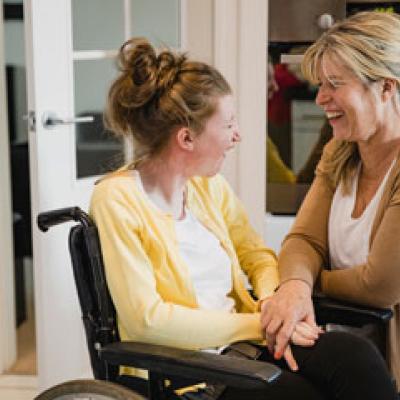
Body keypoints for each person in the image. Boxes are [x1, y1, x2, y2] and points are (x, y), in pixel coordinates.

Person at [90, 37, 397, 399]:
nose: (238, 136)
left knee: (352, 357)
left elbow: (257, 255)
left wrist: (272, 302)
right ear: (187, 138)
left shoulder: (208, 188)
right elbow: (148, 321)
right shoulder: (117, 199)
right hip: (181, 370)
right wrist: (257, 323)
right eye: (229, 124)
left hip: (243, 349)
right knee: (301, 395)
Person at [261, 10, 400, 392]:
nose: (321, 98)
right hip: (347, 349)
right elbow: (303, 240)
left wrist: (302, 286)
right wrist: (293, 288)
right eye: (321, 84)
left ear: (387, 87)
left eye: (335, 84)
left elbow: (380, 284)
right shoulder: (340, 151)